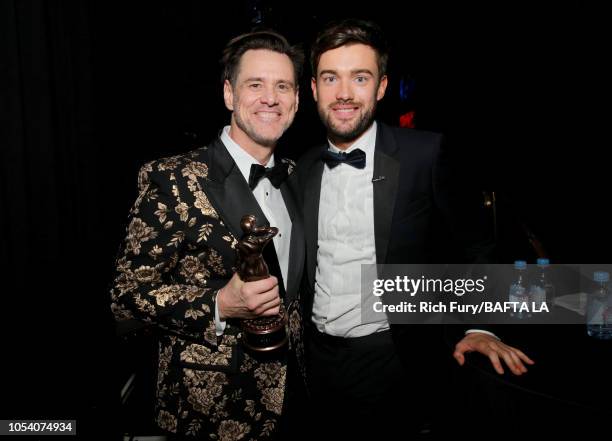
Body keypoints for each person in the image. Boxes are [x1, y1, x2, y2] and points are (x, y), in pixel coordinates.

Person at [297, 18, 534, 437]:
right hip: (314, 363)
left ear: (382, 87)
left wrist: (479, 325)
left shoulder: (426, 153)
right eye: (330, 78)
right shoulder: (302, 169)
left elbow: (477, 246)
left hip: (397, 361)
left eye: (361, 77)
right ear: (313, 89)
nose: (345, 93)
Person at [110, 29, 306, 439]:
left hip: (298, 401)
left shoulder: (297, 177)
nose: (270, 97)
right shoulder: (172, 177)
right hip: (208, 413)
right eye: (255, 84)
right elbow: (125, 299)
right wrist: (219, 303)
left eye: (283, 86)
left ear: (296, 101)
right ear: (229, 95)